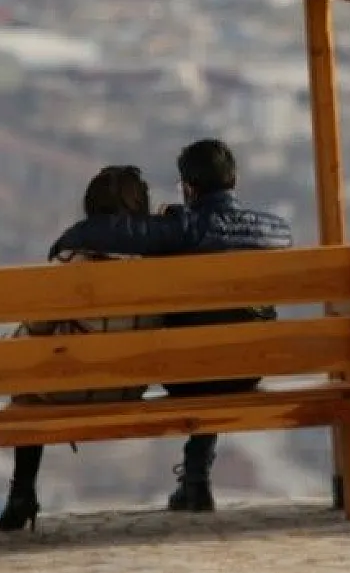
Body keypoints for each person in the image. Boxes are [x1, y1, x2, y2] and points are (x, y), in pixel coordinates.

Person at [49, 137, 292, 513]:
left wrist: (71, 237)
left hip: (188, 372)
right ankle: (195, 479)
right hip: (250, 367)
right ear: (234, 181)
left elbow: (117, 231)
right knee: (218, 340)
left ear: (189, 187)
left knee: (200, 348)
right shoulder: (275, 231)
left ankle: (195, 481)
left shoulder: (183, 228)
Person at [0, 165, 162, 533]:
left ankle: (21, 494)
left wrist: (14, 345)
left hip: (69, 391)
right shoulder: (158, 267)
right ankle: (196, 481)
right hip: (130, 386)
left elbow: (37, 329)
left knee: (26, 374)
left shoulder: (70, 265)